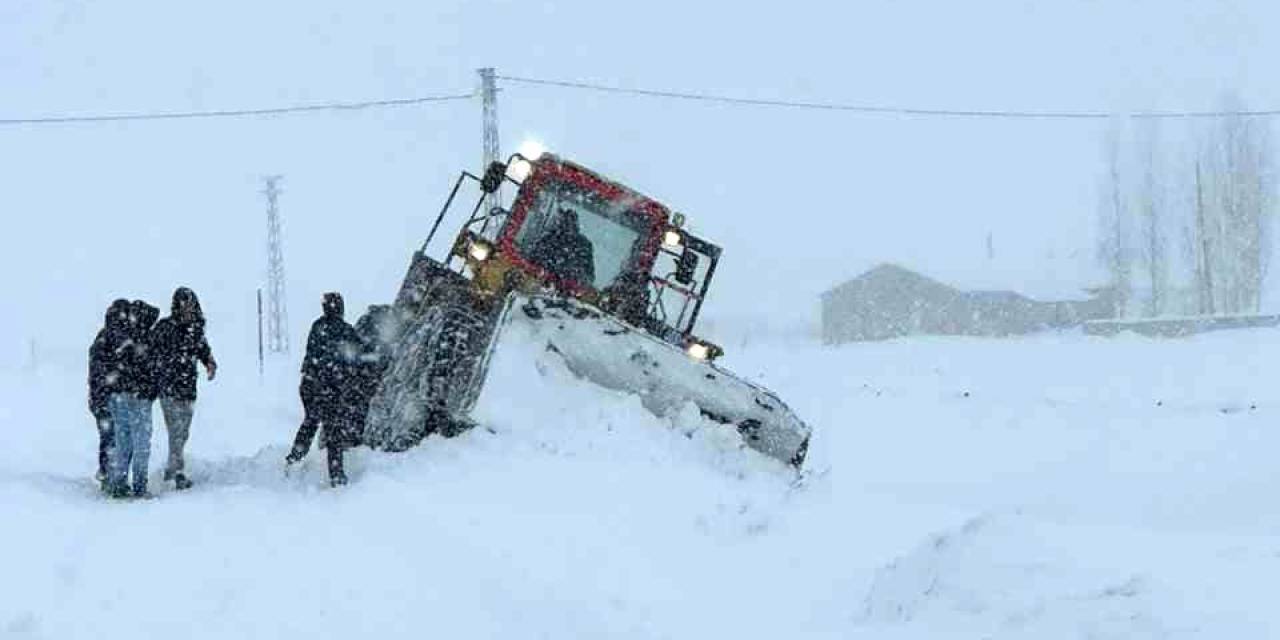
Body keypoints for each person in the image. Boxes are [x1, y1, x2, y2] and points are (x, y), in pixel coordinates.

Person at [285, 292, 364, 487]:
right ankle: (336, 476)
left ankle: (294, 459)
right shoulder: (346, 330)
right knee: (334, 432)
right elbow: (357, 357)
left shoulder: (317, 326)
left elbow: (314, 356)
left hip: (310, 386)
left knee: (310, 422)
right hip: (330, 388)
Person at [149, 287, 217, 491]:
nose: (188, 310)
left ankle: (173, 467)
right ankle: (176, 472)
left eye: (191, 306)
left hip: (188, 389)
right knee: (176, 431)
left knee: (183, 432)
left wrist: (210, 363)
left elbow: (203, 349)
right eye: (185, 305)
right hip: (168, 388)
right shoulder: (164, 327)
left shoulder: (195, 329)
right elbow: (150, 351)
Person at [105, 299, 160, 498]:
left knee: (123, 442)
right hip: (138, 398)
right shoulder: (145, 339)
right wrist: (150, 390)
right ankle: (139, 486)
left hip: (119, 396)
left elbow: (114, 368)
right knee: (142, 444)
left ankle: (118, 483)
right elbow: (151, 371)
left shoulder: (120, 336)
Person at [88, 299, 130, 486]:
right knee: (111, 438)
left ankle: (109, 474)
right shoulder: (107, 341)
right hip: (106, 399)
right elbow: (101, 375)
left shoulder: (106, 339)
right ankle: (109, 476)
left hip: (104, 399)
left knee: (111, 438)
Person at [528, 207, 595, 287]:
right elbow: (533, 259)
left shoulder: (583, 246)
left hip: (565, 290)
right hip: (540, 282)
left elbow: (588, 277)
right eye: (566, 223)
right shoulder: (549, 238)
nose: (568, 228)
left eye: (570, 224)